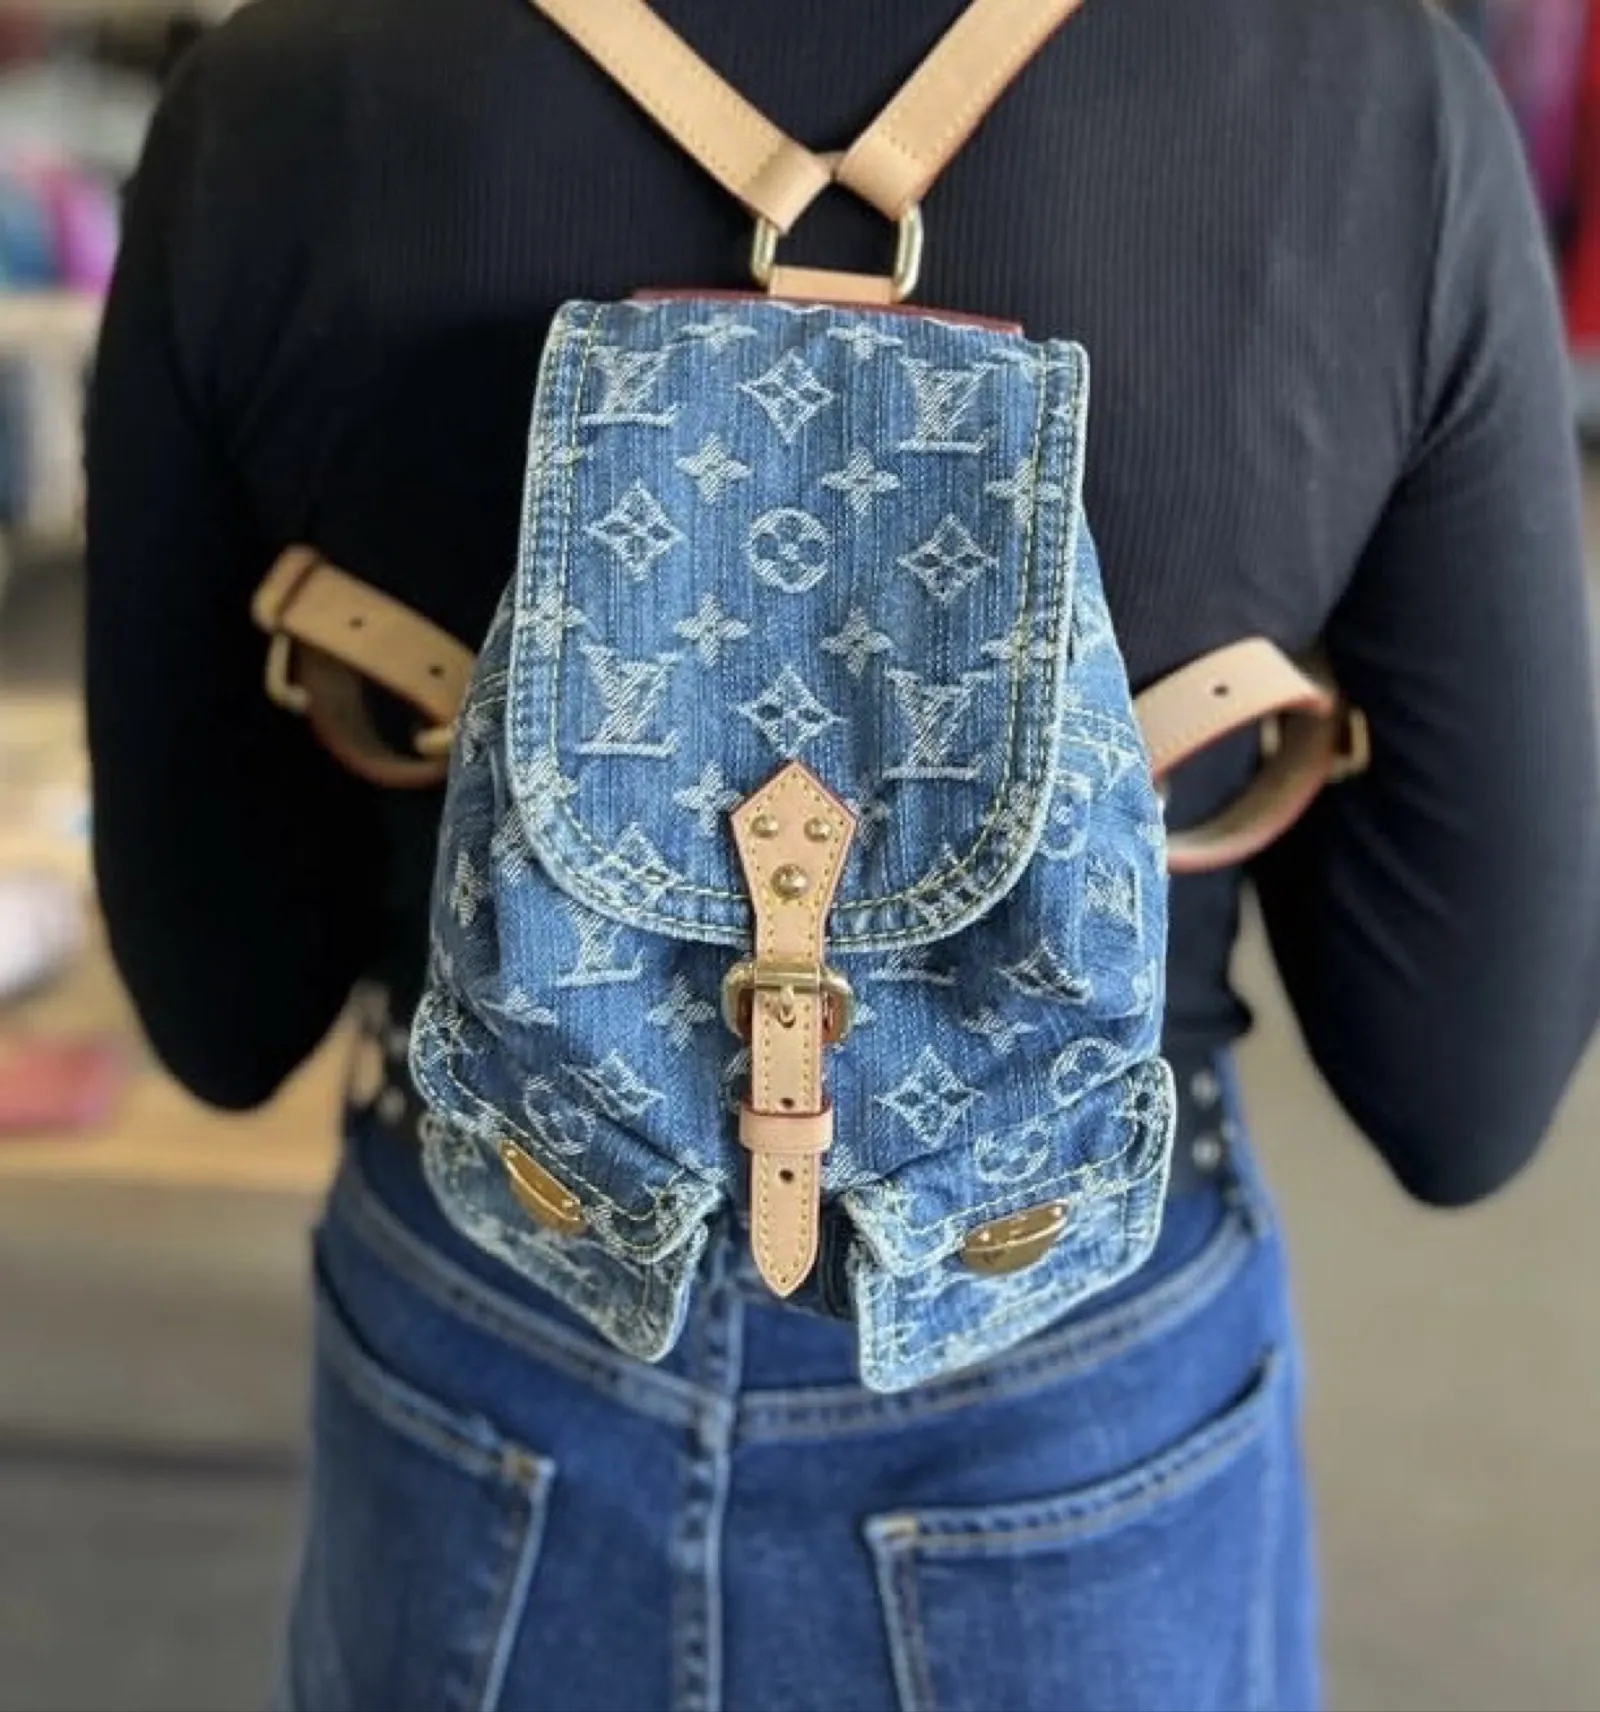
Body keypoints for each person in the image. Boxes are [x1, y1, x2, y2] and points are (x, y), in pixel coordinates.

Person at [84, 0, 1600, 1707]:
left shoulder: (284, 88)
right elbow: (1460, 1094)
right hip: (1061, 1326)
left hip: (510, 1275)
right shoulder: (1370, 95)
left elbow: (223, 1016)